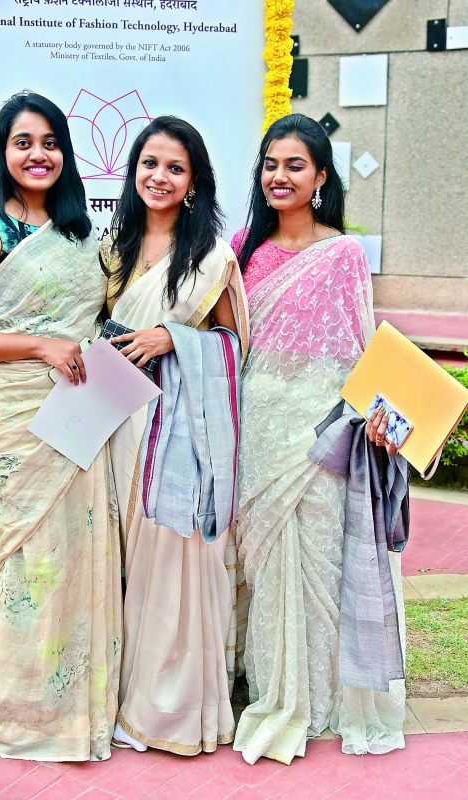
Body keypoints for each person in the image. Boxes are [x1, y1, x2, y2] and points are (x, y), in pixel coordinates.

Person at [0, 92, 122, 761]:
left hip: (83, 409)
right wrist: (38, 347)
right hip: (18, 415)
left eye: (49, 143)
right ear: (2, 152)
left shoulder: (83, 233)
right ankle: (21, 704)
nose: (37, 155)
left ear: (66, 154)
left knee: (81, 554)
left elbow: (104, 318)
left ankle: (78, 702)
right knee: (28, 561)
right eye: (23, 143)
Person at [231, 113, 406, 766]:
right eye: (271, 164)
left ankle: (324, 699)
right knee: (269, 569)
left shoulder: (341, 254)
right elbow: (230, 346)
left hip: (320, 434)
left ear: (321, 176)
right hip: (257, 432)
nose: (279, 175)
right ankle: (277, 691)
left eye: (294, 165)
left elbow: (361, 355)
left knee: (318, 567)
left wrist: (384, 422)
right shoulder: (241, 247)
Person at [100, 115, 249, 756]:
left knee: (173, 555)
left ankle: (169, 706)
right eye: (149, 164)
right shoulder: (111, 248)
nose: (159, 177)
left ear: (193, 183)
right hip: (114, 424)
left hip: (179, 435)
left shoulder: (212, 258)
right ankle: (114, 693)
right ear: (133, 174)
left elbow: (235, 346)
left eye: (175, 168)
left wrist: (174, 339)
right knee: (119, 559)